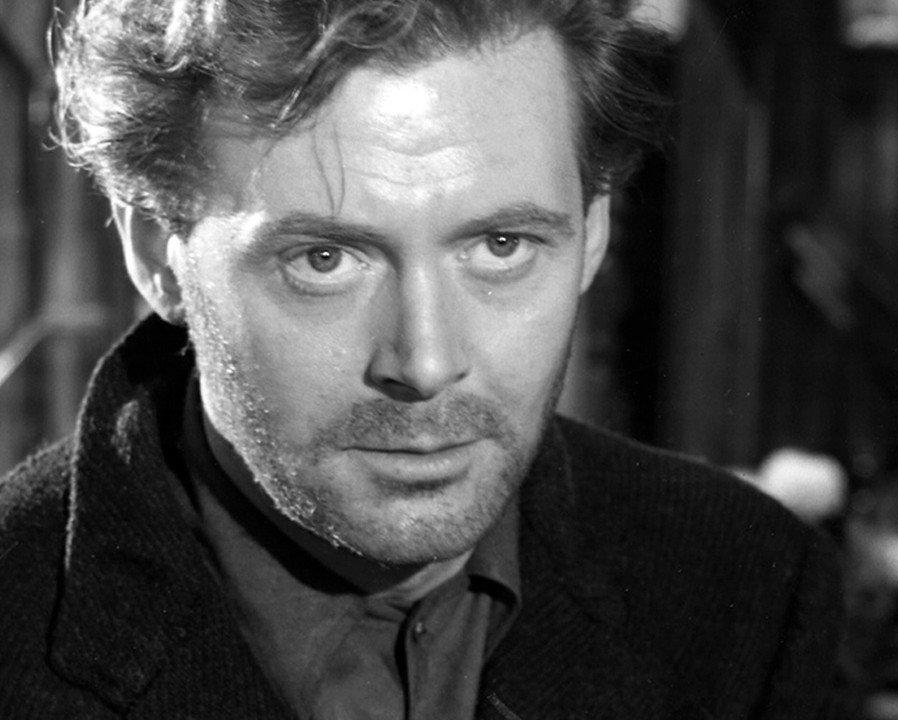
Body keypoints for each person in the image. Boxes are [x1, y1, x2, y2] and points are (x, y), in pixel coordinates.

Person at [0, 0, 842, 717]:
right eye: (325, 260)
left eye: (502, 246)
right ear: (156, 252)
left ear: (594, 232)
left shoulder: (747, 589)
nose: (426, 363)